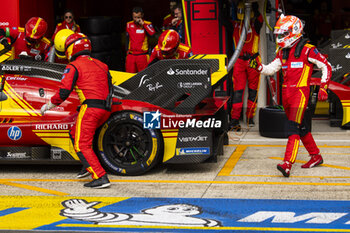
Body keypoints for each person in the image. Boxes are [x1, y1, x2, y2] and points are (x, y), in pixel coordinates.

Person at [249, 15, 332, 177]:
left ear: (293, 32)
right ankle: (316, 156)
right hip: (286, 94)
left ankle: (287, 163)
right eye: (279, 34)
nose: (280, 38)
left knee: (292, 128)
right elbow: (270, 69)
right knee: (301, 128)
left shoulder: (308, 49)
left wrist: (323, 87)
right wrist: (258, 67)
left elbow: (326, 66)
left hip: (300, 94)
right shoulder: (282, 52)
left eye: (282, 34)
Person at [41, 33, 113, 188]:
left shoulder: (73, 66)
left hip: (91, 108)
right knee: (75, 133)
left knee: (81, 144)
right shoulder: (102, 65)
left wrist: (48, 105)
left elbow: (63, 92)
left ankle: (100, 176)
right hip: (106, 109)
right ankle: (87, 165)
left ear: (71, 49)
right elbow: (110, 88)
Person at [229, 1, 263, 131]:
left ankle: (250, 118)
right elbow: (221, 20)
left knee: (253, 92)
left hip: (253, 61)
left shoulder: (257, 24)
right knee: (238, 92)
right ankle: (234, 120)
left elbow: (261, 16)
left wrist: (253, 5)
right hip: (238, 61)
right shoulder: (234, 25)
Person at [125, 7, 156, 73]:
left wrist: (144, 25)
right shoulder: (129, 24)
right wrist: (127, 51)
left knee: (143, 75)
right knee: (129, 76)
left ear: (142, 15)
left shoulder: (148, 24)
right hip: (131, 55)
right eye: (134, 17)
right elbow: (127, 39)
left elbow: (152, 34)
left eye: (138, 17)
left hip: (142, 55)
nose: (136, 20)